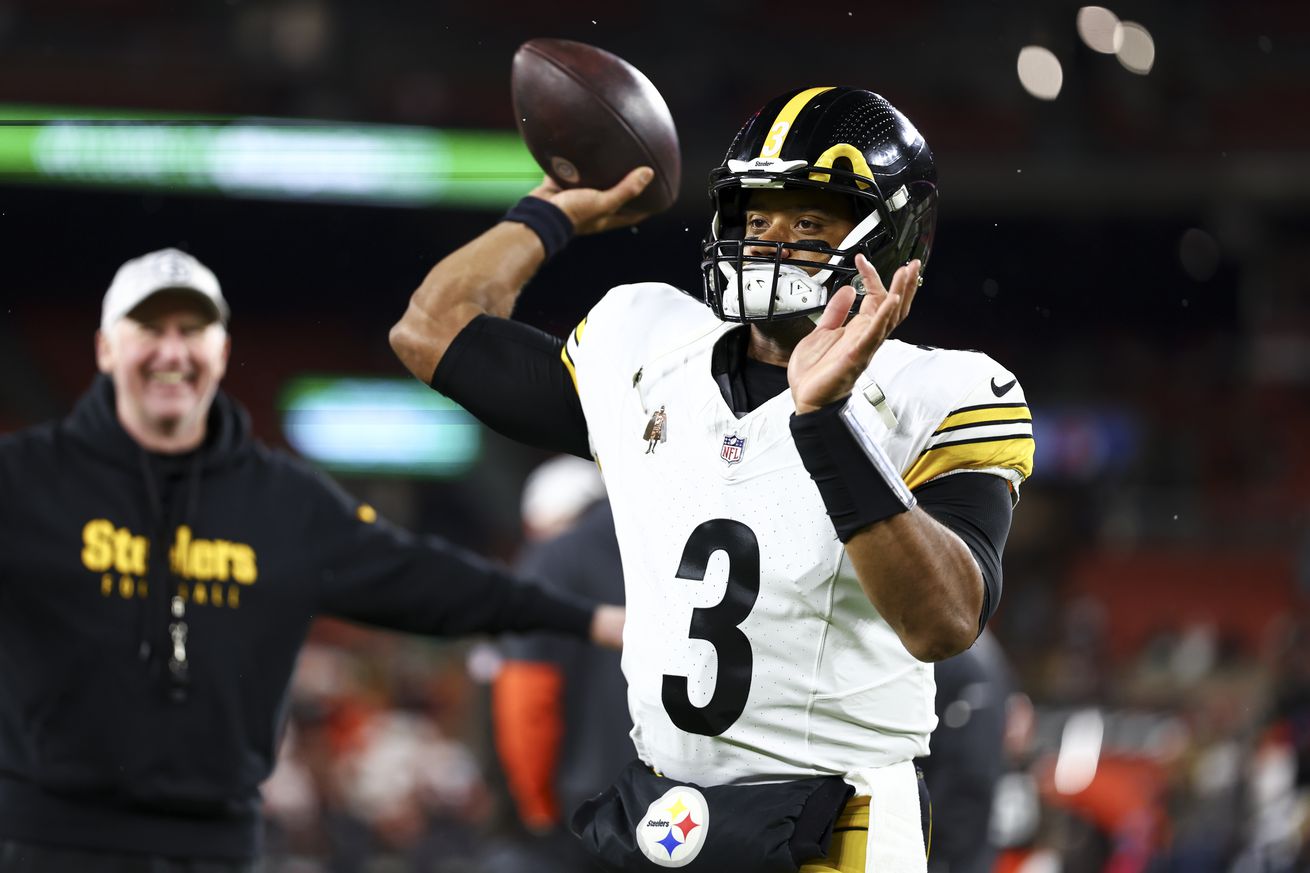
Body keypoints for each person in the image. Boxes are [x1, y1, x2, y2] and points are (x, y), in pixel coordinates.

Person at [391, 86, 1034, 872]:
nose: (768, 242)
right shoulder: (649, 350)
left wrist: (825, 424)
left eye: (807, 220)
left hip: (841, 822)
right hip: (668, 813)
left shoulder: (941, 392)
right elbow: (431, 329)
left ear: (894, 236)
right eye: (755, 216)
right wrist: (551, 213)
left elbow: (942, 621)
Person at [0, 247, 623, 873]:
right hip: (48, 843)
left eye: (193, 331)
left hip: (217, 848)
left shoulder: (279, 501)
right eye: (148, 330)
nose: (172, 351)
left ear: (221, 350)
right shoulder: (25, 482)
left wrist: (589, 618)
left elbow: (431, 580)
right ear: (106, 348)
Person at [488, 455, 632, 873]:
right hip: (695, 798)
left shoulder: (553, 560)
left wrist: (537, 809)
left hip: (591, 808)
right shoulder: (661, 538)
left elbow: (527, 697)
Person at [917, 630, 1015, 873]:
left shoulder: (964, 657)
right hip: (958, 846)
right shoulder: (981, 654)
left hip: (951, 853)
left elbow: (972, 772)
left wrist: (936, 845)